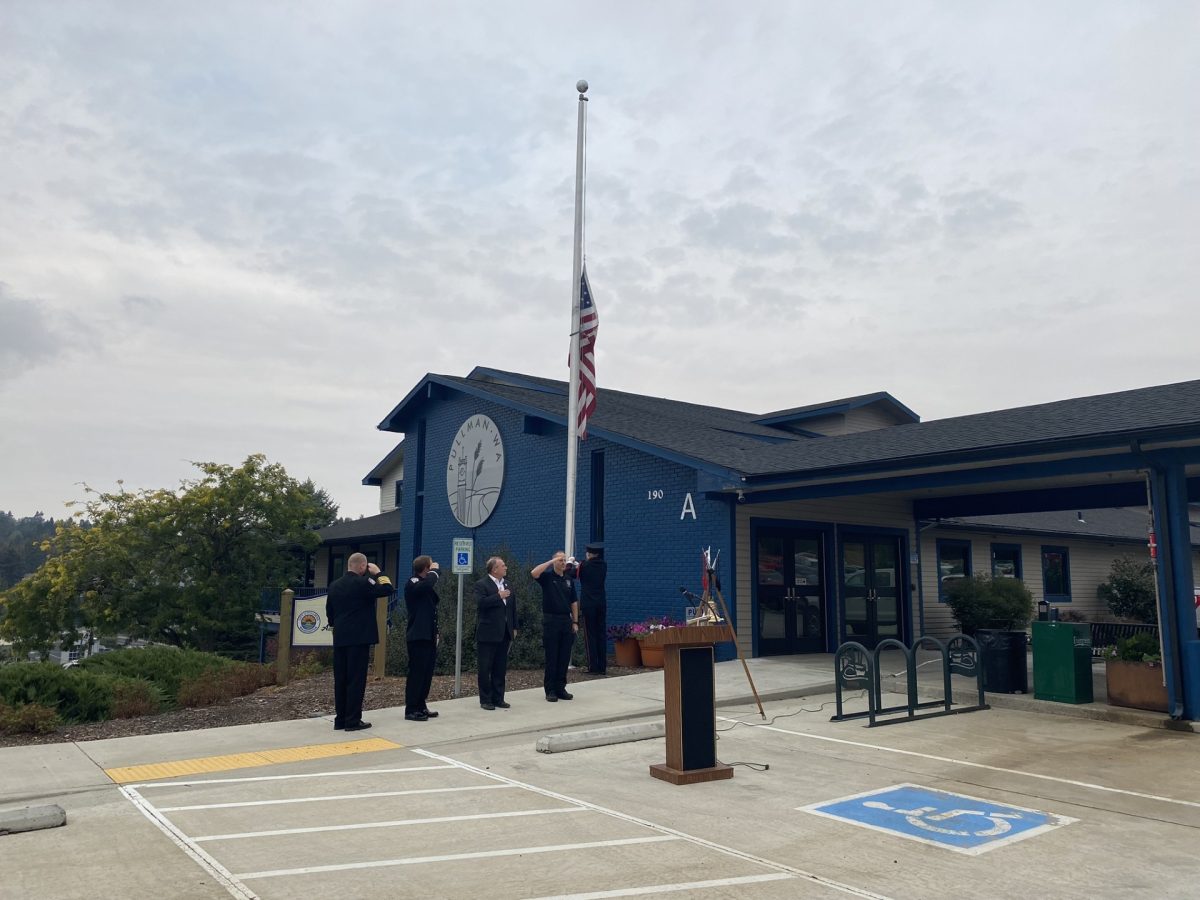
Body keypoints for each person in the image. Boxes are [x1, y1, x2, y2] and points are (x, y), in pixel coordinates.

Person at [325, 552, 394, 731]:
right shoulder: (364, 583)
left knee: (340, 679)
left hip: (340, 638)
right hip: (359, 639)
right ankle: (353, 720)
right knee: (356, 680)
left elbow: (330, 613)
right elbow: (387, 589)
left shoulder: (334, 585)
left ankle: (340, 719)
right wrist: (378, 573)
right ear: (363, 567)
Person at [531, 551, 579, 701]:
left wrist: (575, 622)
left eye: (564, 560)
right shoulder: (547, 577)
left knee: (564, 657)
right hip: (551, 620)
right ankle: (550, 690)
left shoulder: (568, 579)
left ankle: (561, 688)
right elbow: (534, 573)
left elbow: (574, 602)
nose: (563, 562)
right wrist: (551, 562)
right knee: (552, 656)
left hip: (566, 621)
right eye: (560, 560)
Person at [473, 556, 518, 710]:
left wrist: (514, 626)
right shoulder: (482, 584)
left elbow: (512, 608)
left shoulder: (507, 584)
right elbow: (481, 604)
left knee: (500, 667)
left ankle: (498, 698)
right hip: (487, 632)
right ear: (494, 569)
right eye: (503, 565)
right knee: (485, 667)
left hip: (504, 632)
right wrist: (498, 596)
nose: (506, 567)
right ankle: (486, 699)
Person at [403, 555, 441, 722]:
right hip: (417, 635)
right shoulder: (413, 582)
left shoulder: (424, 584)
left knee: (426, 673)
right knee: (417, 673)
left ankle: (421, 705)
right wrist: (435, 572)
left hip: (429, 634)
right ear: (426, 568)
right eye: (430, 566)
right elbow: (424, 587)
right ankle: (411, 709)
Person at [577, 543, 608, 675]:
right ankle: (602, 666)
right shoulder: (603, 565)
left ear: (589, 554)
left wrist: (570, 564)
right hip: (601, 603)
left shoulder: (585, 565)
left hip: (588, 605)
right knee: (600, 633)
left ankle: (593, 667)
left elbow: (572, 573)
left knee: (590, 635)